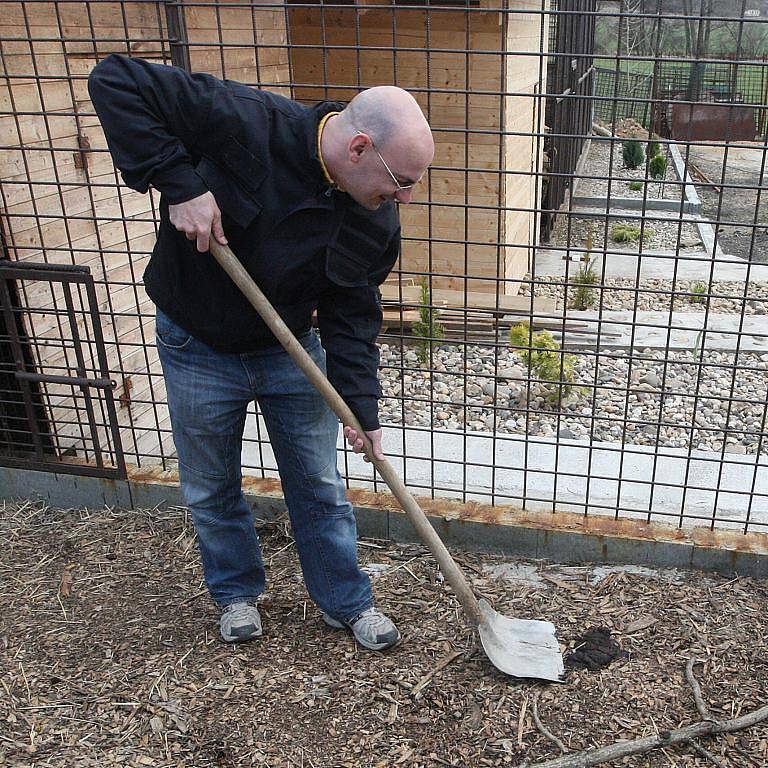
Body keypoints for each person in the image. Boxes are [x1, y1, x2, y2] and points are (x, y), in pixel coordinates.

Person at [88, 55, 434, 650]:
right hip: (198, 343)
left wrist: (362, 411)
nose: (401, 196)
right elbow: (114, 81)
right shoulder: (245, 121)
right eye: (400, 181)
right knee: (211, 482)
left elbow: (352, 319)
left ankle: (345, 600)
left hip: (289, 350)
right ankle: (235, 593)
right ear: (357, 149)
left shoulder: (372, 219)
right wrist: (181, 183)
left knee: (318, 484)